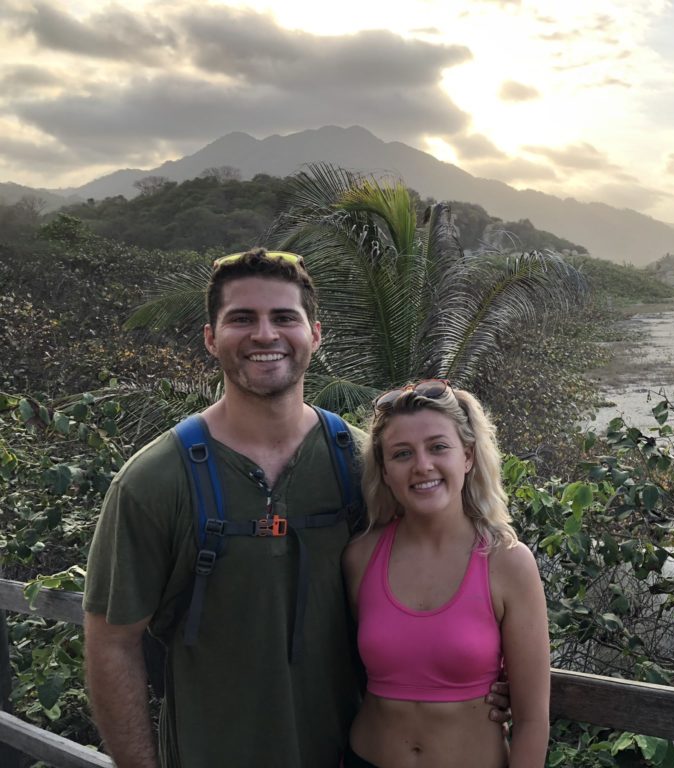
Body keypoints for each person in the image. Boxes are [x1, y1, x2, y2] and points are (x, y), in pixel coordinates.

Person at [82, 249, 510, 767]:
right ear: (211, 337)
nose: (266, 335)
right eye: (242, 318)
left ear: (315, 335)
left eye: (285, 317)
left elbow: (443, 572)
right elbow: (112, 644)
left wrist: (488, 674)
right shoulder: (154, 482)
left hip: (350, 755)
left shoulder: (367, 466)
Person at [343, 380, 550, 768]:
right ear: (385, 471)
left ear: (467, 457)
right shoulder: (360, 556)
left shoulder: (507, 562)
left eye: (439, 447)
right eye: (402, 454)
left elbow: (533, 720)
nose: (423, 465)